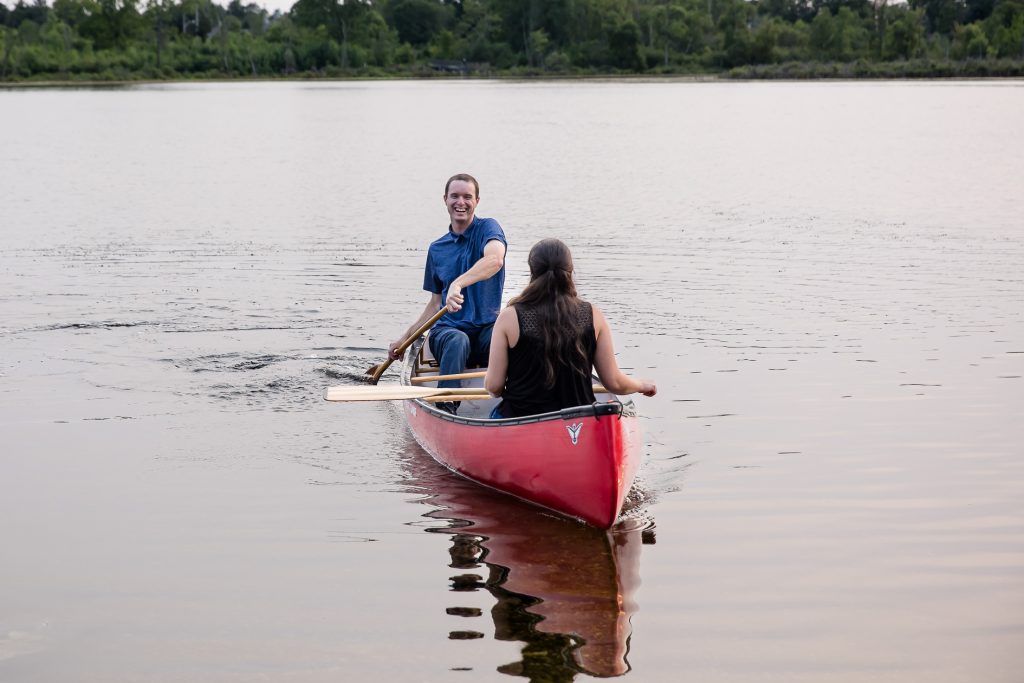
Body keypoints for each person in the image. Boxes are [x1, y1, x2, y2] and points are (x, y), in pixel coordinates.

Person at [484, 238, 656, 419]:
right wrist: (641, 385)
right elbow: (614, 382)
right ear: (570, 271)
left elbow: (494, 387)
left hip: (521, 420)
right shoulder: (592, 315)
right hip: (579, 424)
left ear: (532, 271)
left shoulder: (509, 317)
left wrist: (491, 384)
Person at [389, 173, 507, 413]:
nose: (460, 202)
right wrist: (405, 339)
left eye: (467, 197)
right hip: (449, 333)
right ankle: (446, 405)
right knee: (457, 340)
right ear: (445, 199)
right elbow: (434, 304)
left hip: (486, 331)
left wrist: (458, 284)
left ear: (477, 201)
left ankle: (521, 400)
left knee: (513, 333)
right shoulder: (437, 248)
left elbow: (495, 259)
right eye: (454, 196)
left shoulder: (488, 228)